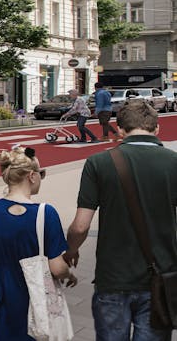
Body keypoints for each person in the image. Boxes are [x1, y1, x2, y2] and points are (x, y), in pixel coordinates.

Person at [65, 99, 177, 339]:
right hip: (160, 278)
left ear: (121, 129)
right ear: (157, 128)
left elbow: (80, 225)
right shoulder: (173, 163)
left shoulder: (99, 163)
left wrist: (71, 250)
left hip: (113, 277)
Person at [0, 146, 76, 340]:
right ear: (32, 176)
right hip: (30, 299)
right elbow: (57, 268)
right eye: (41, 173)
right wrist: (69, 275)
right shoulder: (45, 213)